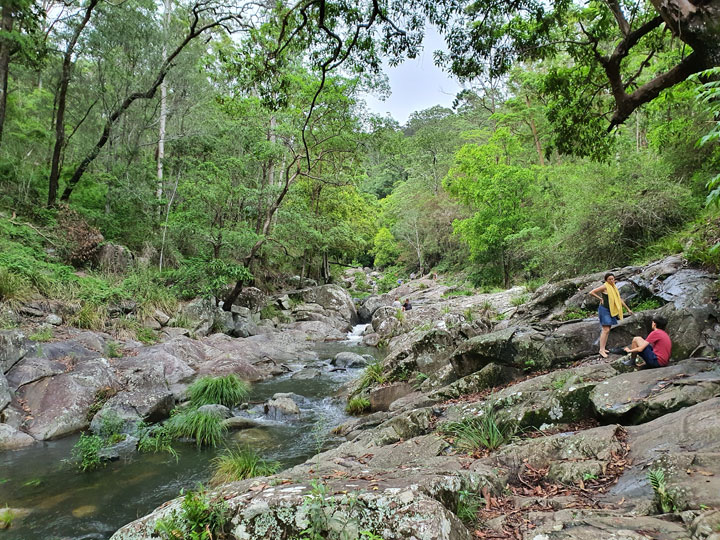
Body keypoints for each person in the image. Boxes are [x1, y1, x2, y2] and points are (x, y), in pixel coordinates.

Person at [589, 272, 633, 358]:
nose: (612, 280)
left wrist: (628, 309)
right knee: (605, 329)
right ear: (606, 280)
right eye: (610, 279)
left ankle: (603, 348)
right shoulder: (605, 286)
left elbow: (619, 299)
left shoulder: (614, 287)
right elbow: (592, 292)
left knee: (608, 329)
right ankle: (601, 350)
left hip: (611, 310)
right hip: (604, 309)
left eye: (613, 279)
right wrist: (600, 298)